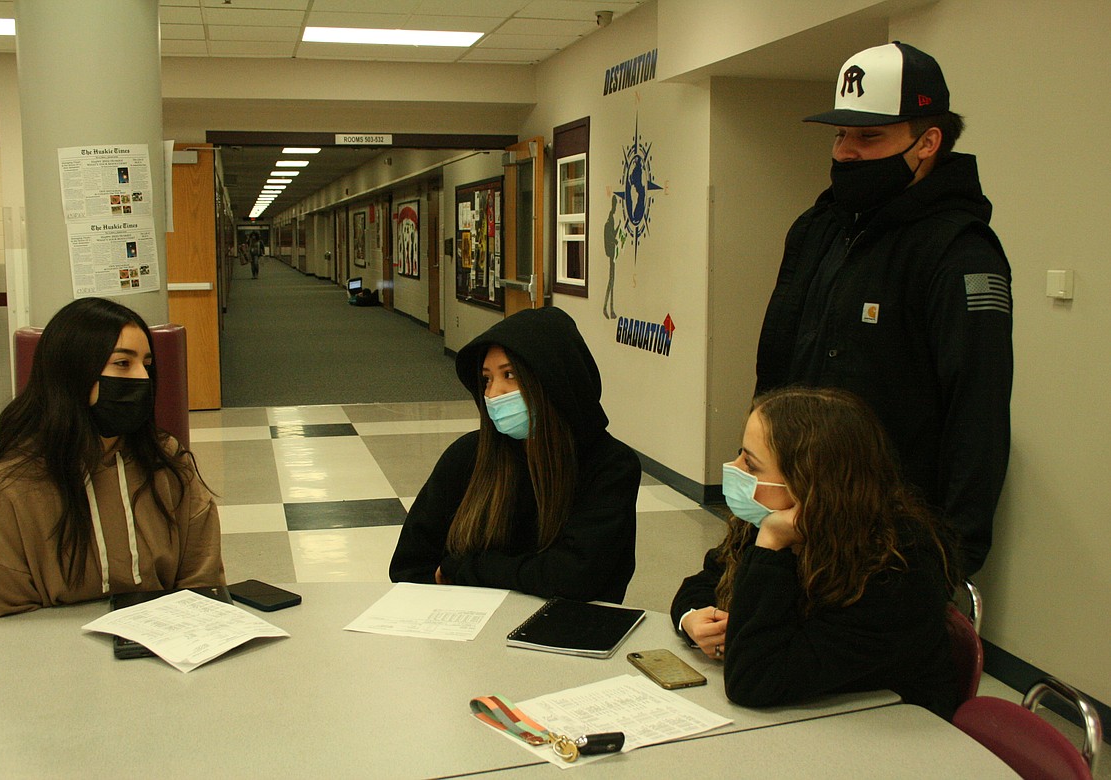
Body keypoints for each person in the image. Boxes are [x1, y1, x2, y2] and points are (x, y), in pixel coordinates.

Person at [755, 42, 1012, 577]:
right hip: (794, 511)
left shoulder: (959, 251)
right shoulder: (817, 229)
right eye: (841, 135)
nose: (846, 152)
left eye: (869, 136)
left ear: (928, 142)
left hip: (891, 534)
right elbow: (776, 366)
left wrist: (953, 554)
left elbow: (977, 413)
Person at [672, 387, 958, 718]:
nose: (733, 468)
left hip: (882, 731)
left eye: (750, 464)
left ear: (808, 484)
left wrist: (771, 544)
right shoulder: (771, 517)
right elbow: (705, 580)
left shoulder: (897, 571)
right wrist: (692, 619)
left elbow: (753, 680)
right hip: (805, 717)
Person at [0, 297, 224, 618]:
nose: (142, 379)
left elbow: (202, 582)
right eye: (122, 363)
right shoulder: (11, 490)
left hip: (166, 652)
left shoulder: (168, 463)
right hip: (54, 661)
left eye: (147, 364)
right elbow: (4, 621)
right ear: (74, 373)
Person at [389, 307, 640, 603]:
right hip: (465, 628)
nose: (493, 393)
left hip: (561, 631)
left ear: (554, 378)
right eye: (487, 380)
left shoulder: (610, 466)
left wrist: (466, 568)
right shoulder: (469, 455)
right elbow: (409, 565)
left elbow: (574, 578)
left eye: (509, 375)